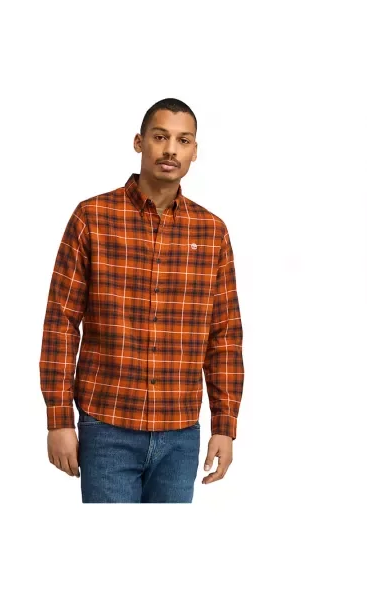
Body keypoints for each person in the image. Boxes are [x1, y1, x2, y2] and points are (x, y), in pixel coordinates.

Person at [39, 98, 244, 503]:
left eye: (183, 140)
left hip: (180, 434)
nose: (171, 150)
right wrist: (58, 420)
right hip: (107, 427)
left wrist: (225, 424)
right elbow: (60, 322)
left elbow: (224, 335)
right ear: (139, 142)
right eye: (160, 137)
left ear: (194, 151)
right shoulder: (92, 218)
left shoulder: (212, 232)